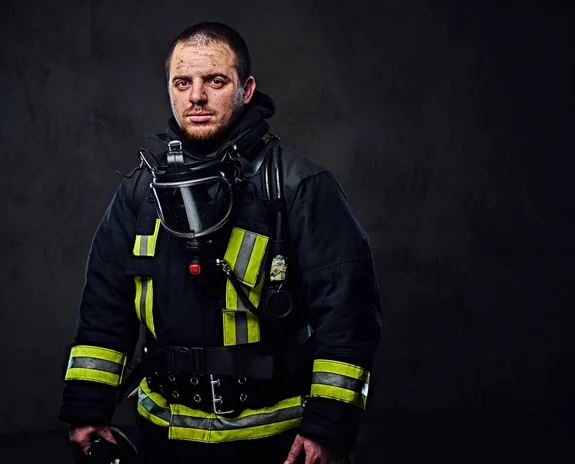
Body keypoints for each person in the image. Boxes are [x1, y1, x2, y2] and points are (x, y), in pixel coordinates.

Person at [59, 21, 382, 464]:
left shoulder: (299, 187)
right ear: (170, 90)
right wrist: (86, 409)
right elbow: (104, 311)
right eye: (182, 82)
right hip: (162, 440)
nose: (196, 97)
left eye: (215, 80)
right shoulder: (140, 193)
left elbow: (349, 320)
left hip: (275, 444)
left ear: (246, 89)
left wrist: (327, 428)